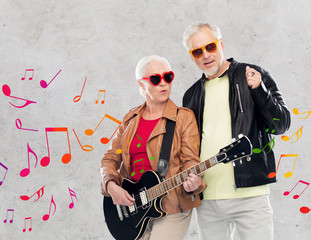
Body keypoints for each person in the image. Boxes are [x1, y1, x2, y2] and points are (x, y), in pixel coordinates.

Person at [182, 23, 291, 240]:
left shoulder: (252, 74)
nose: (205, 55)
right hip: (208, 200)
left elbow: (282, 124)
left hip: (250, 196)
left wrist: (260, 91)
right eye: (197, 51)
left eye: (210, 46)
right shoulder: (191, 96)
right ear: (192, 57)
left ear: (221, 44)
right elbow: (188, 148)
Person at [101, 55, 206, 240]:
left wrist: (193, 182)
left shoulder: (183, 117)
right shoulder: (130, 119)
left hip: (172, 205)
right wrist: (111, 185)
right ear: (141, 85)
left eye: (168, 77)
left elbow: (190, 160)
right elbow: (111, 157)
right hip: (133, 208)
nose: (164, 84)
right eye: (156, 79)